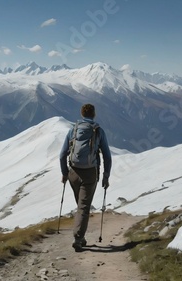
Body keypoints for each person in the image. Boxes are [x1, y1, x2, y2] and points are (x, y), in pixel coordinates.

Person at [59, 104, 112, 252]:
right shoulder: (98, 131)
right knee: (83, 206)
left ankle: (80, 236)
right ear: (94, 114)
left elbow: (62, 154)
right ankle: (78, 238)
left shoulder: (73, 130)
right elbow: (107, 156)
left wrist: (64, 173)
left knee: (81, 205)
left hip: (73, 173)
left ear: (81, 113)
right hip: (90, 173)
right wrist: (106, 176)